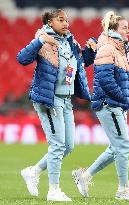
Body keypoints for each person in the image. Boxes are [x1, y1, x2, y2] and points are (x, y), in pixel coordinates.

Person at [17, 9, 97, 202]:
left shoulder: (69, 40)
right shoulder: (42, 38)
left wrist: (90, 52)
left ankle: (33, 171)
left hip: (66, 100)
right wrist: (41, 41)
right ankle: (53, 190)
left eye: (67, 20)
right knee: (57, 145)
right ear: (50, 22)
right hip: (49, 99)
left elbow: (79, 63)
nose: (66, 23)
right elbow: (22, 58)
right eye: (61, 20)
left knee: (68, 146)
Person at [72, 11, 129, 200]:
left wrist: (128, 98)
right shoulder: (106, 48)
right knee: (123, 145)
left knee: (116, 147)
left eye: (128, 27)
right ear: (113, 29)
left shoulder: (124, 48)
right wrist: (122, 97)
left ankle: (84, 175)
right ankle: (123, 189)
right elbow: (105, 78)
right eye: (124, 27)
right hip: (109, 103)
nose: (128, 30)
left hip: (119, 104)